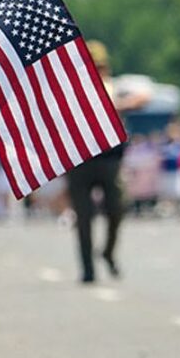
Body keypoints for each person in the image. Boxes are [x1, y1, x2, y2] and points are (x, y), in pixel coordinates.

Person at [66, 40, 126, 283]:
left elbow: (143, 97)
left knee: (116, 210)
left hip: (109, 159)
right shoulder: (71, 90)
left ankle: (108, 253)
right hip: (80, 160)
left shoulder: (114, 88)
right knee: (83, 216)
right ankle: (87, 268)